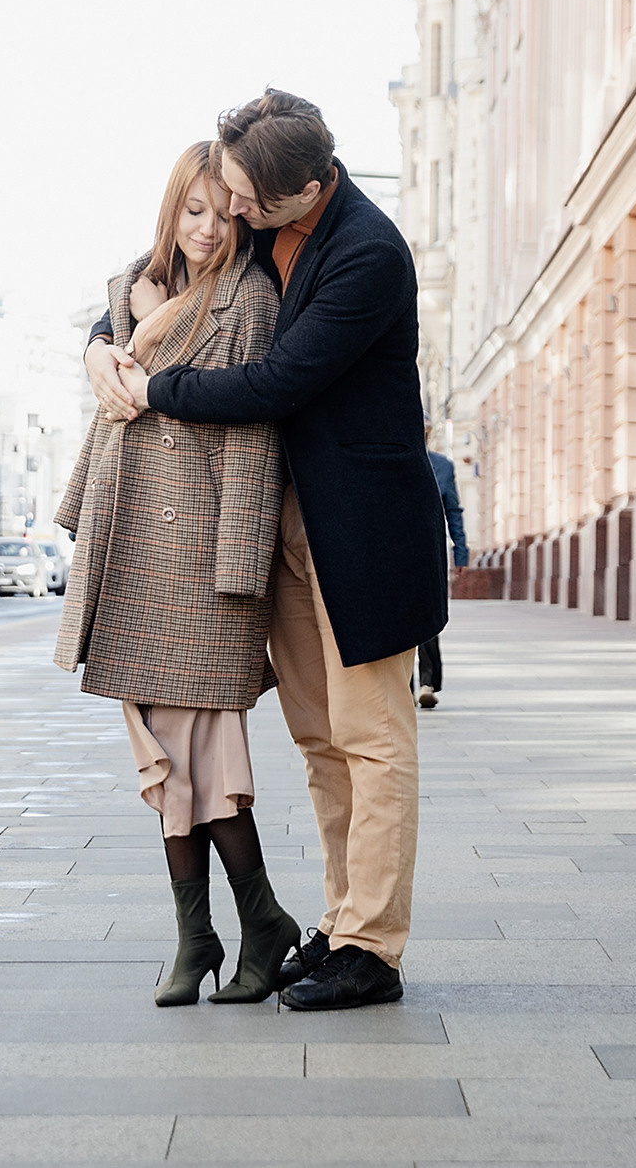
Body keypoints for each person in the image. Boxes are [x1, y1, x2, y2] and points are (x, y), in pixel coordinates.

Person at [89, 89, 448, 1012]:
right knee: (320, 739)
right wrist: (101, 345)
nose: (234, 210)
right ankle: (341, 918)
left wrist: (156, 388)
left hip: (359, 532)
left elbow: (279, 379)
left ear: (306, 189)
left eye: (249, 199)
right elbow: (164, 272)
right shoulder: (268, 223)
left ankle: (374, 946)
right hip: (286, 524)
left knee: (373, 740)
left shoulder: (366, 253)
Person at [55, 142, 305, 1008]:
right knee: (163, 751)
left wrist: (239, 565)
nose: (207, 228)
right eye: (191, 210)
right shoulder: (129, 285)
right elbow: (107, 377)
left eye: (222, 212)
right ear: (171, 210)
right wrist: (100, 353)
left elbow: (256, 430)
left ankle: (254, 922)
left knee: (205, 751)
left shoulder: (252, 296)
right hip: (134, 543)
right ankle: (201, 933)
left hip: (202, 547)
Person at [419, 434, 469, 710]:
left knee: (428, 616)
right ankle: (402, 685)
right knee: (398, 619)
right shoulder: (390, 457)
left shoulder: (442, 465)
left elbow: (454, 511)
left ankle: (428, 683)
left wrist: (460, 552)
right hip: (393, 550)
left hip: (431, 551)